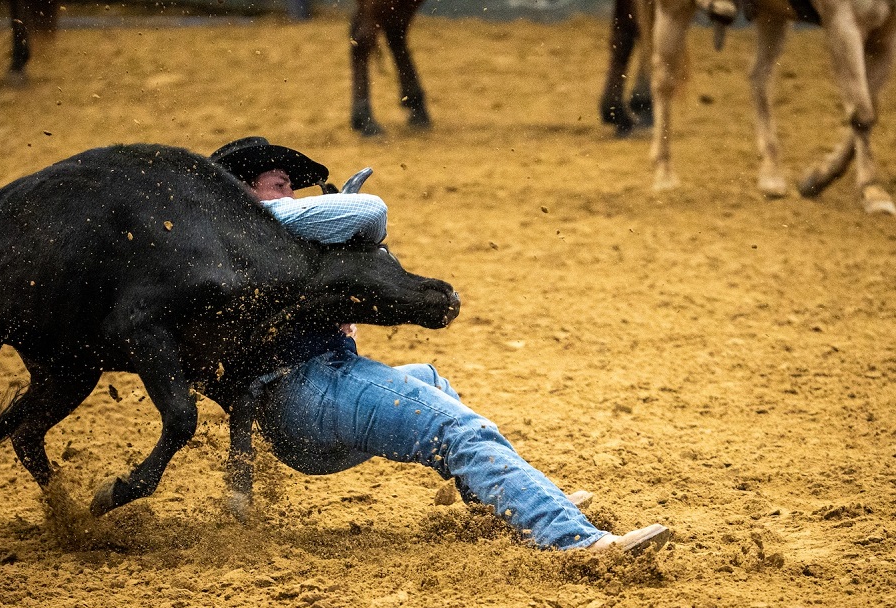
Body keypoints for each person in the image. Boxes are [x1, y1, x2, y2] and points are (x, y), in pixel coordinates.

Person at [209, 137, 672, 556]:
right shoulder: (250, 225)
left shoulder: (227, 257)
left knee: (432, 382)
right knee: (459, 430)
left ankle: (512, 504)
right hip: (311, 391)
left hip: (291, 417)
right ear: (243, 192)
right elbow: (370, 213)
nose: (292, 198)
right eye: (281, 185)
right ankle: (578, 541)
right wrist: (335, 220)